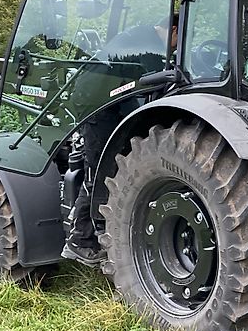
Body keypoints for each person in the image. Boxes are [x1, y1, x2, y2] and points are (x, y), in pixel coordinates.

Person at [61, 17, 178, 266]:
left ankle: (104, 232)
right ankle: (80, 241)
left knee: (115, 168)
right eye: (177, 43)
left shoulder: (144, 38)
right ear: (174, 31)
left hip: (116, 105)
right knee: (100, 173)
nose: (175, 48)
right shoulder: (148, 45)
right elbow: (158, 80)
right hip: (96, 108)